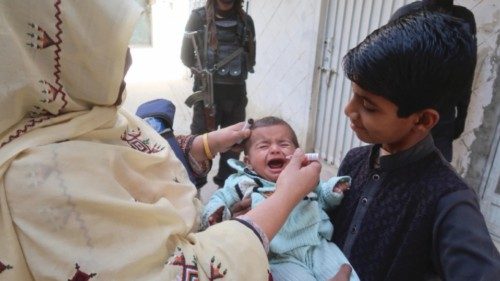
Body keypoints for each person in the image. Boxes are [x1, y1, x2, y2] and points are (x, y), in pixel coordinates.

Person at [0, 1, 352, 280]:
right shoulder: (39, 179)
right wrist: (283, 197)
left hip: (234, 93)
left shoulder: (81, 112)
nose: (128, 59)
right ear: (59, 57)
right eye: (109, 47)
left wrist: (203, 145)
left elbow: (134, 150)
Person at [328, 10, 500, 281]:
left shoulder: (450, 203)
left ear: (422, 119)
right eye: (353, 95)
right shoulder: (354, 161)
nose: (349, 110)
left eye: (369, 105)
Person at [202, 117, 360, 281]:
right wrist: (216, 213)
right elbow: (220, 197)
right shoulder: (242, 182)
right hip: (279, 257)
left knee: (346, 275)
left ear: (298, 154)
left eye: (284, 144)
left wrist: (333, 190)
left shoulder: (305, 175)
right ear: (248, 162)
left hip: (318, 246)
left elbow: (323, 196)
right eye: (264, 146)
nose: (275, 150)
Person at [389, 0, 477, 162]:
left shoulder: (464, 18)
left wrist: (462, 114)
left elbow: (467, 69)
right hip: (407, 115)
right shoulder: (405, 15)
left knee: (437, 172)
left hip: (443, 117)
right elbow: (387, 68)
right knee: (397, 171)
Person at [181, 0, 256, 187]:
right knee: (199, 146)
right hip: (207, 95)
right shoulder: (198, 18)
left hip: (236, 95)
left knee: (234, 145)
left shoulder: (246, 21)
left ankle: (227, 193)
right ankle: (195, 189)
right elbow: (186, 56)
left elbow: (250, 57)